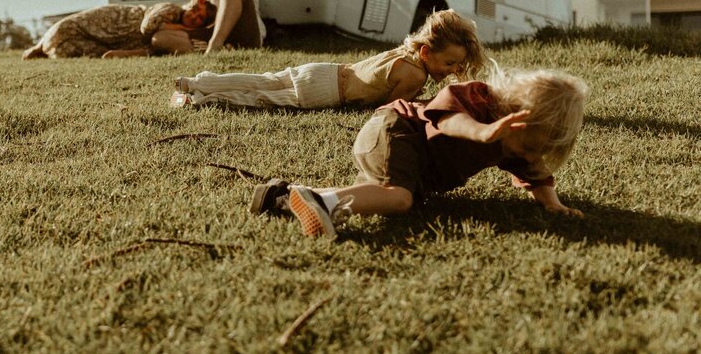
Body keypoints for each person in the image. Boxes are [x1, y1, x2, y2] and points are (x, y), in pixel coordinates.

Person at [249, 68, 589, 239]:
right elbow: (449, 120)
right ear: (515, 112)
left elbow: (536, 173)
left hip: (410, 158)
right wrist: (483, 132)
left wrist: (552, 203)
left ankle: (285, 196)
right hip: (395, 128)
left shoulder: (517, 145)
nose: (530, 157)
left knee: (385, 199)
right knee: (398, 199)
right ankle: (325, 207)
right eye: (530, 147)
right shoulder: (479, 100)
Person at [172, 8, 484, 109]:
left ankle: (196, 81)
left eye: (457, 66)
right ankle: (198, 100)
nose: (454, 70)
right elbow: (390, 110)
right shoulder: (415, 76)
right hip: (326, 91)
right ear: (427, 52)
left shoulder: (408, 51)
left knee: (263, 80)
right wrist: (427, 104)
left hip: (322, 71)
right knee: (261, 97)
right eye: (449, 64)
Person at [22, 1, 212, 59]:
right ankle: (40, 47)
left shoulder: (172, 33)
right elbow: (148, 26)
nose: (193, 16)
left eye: (199, 18)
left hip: (103, 39)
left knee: (83, 52)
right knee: (67, 31)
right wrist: (184, 27)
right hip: (111, 23)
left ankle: (41, 49)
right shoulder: (172, 9)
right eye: (195, 10)